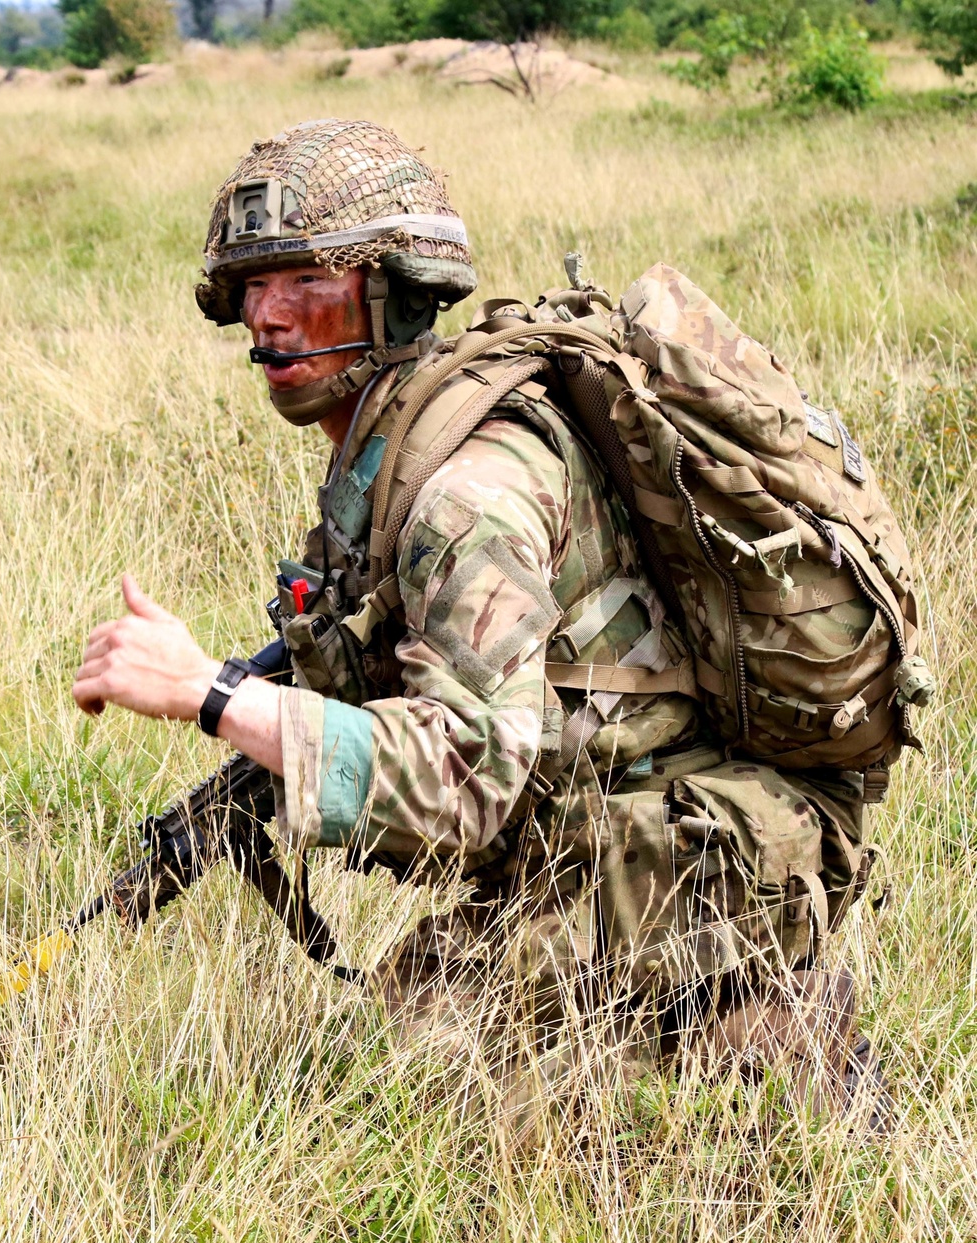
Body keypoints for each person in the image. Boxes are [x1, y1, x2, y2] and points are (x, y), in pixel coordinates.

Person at [72, 118, 881, 1129]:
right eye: (251, 286)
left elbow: (469, 778)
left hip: (694, 853)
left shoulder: (465, 492)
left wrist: (215, 696)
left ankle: (757, 1033)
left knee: (434, 1058)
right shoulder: (395, 447)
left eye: (307, 281)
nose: (268, 317)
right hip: (615, 837)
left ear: (396, 292)